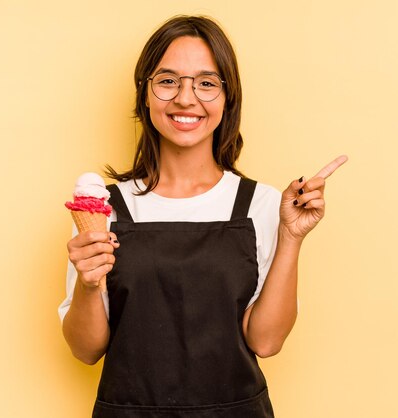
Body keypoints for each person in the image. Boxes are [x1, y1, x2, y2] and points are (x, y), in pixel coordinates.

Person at [59, 15, 347, 417]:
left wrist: (291, 238)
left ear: (228, 98)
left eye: (206, 83)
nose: (185, 98)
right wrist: (89, 286)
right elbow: (85, 350)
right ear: (145, 93)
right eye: (168, 80)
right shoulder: (104, 207)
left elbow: (266, 342)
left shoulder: (261, 205)